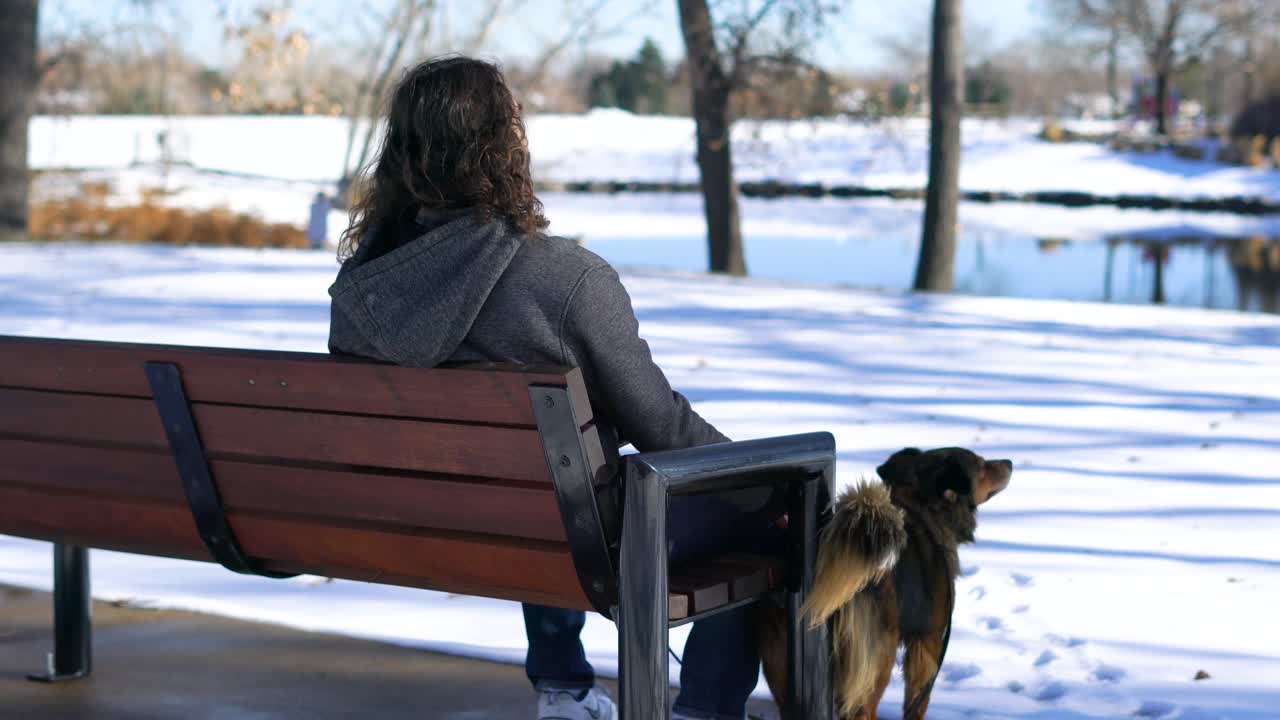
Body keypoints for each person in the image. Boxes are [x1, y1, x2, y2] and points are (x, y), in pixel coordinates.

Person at [327, 56, 775, 720]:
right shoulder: (566, 281)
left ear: (402, 152)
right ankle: (703, 709)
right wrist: (768, 475)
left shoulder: (362, 288)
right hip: (571, 528)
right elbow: (660, 427)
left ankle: (564, 688)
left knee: (546, 488)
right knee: (760, 516)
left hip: (432, 525)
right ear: (505, 146)